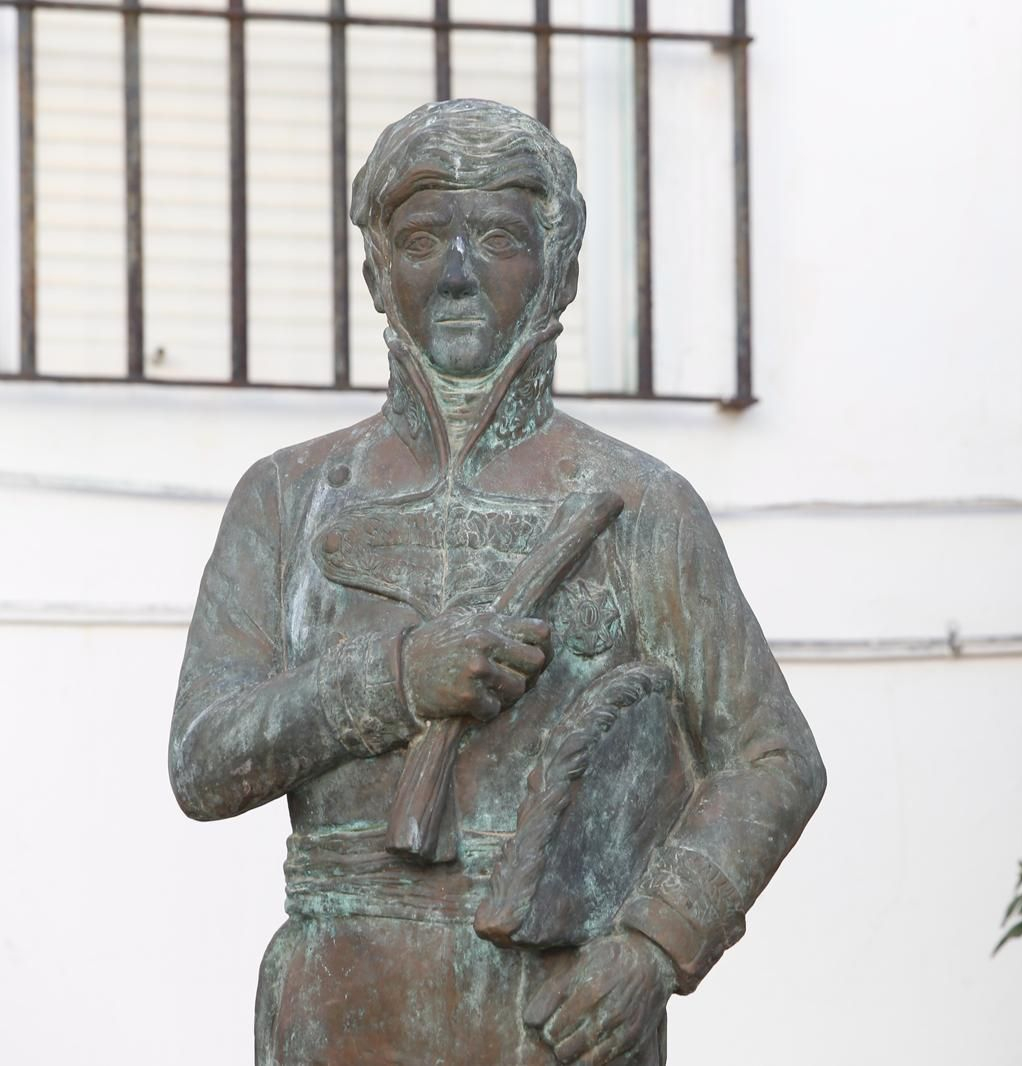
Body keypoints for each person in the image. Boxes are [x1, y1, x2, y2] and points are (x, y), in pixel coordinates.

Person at [169, 98, 825, 1066]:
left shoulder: (640, 502)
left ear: (558, 269)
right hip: (344, 998)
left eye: (500, 239)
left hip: (558, 1010)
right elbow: (203, 762)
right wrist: (393, 681)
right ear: (375, 271)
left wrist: (654, 944)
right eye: (422, 238)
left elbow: (770, 757)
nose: (458, 273)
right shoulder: (286, 495)